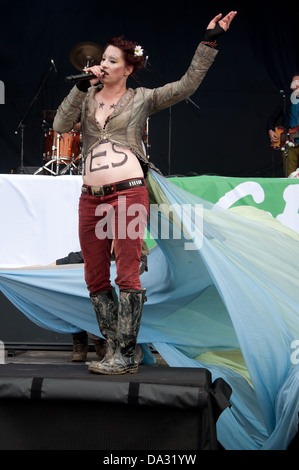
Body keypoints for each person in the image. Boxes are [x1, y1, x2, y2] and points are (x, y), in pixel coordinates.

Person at [53, 10, 237, 375]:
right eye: (101, 59)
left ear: (127, 68)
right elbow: (60, 125)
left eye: (111, 60)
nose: (102, 64)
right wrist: (78, 88)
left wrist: (209, 41)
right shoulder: (87, 97)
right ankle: (116, 349)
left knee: (127, 272)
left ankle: (125, 351)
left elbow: (186, 85)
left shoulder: (142, 98)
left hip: (127, 193)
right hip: (91, 195)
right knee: (94, 275)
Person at [267, 73, 299, 176]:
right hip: (290, 143)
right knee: (290, 176)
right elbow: (271, 118)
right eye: (294, 83)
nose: (296, 85)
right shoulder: (287, 101)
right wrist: (270, 130)